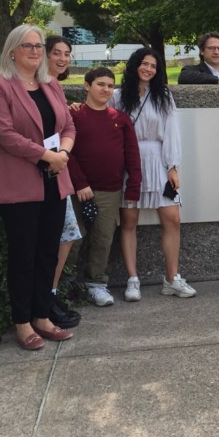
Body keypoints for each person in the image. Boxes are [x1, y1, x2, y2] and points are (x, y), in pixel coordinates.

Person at [0, 25, 76, 350]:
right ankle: (22, 322)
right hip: (20, 184)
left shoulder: (50, 84)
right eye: (27, 46)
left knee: (48, 252)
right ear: (12, 50)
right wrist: (46, 155)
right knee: (23, 255)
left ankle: (41, 315)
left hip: (55, 180)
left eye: (38, 46)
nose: (35, 52)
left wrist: (62, 152)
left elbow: (68, 124)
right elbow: (4, 134)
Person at [113, 47, 196, 301]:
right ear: (135, 65)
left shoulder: (163, 96)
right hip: (129, 161)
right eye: (144, 64)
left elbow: (171, 131)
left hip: (158, 160)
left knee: (172, 219)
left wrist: (172, 166)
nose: (148, 69)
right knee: (128, 222)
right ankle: (133, 279)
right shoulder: (117, 96)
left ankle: (172, 278)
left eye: (153, 66)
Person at [69, 67, 142, 306]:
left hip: (110, 191)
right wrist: (80, 183)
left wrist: (133, 188)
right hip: (77, 190)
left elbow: (132, 155)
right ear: (87, 86)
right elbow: (67, 153)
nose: (106, 89)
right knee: (72, 239)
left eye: (110, 86)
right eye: (100, 84)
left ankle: (96, 284)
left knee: (103, 239)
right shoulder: (75, 115)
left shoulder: (120, 119)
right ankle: (65, 285)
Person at [45, 35, 82, 329]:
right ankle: (44, 298)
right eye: (56, 53)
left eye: (67, 54)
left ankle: (50, 292)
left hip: (59, 168)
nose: (62, 58)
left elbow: (65, 126)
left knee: (67, 234)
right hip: (38, 170)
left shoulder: (55, 86)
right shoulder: (27, 85)